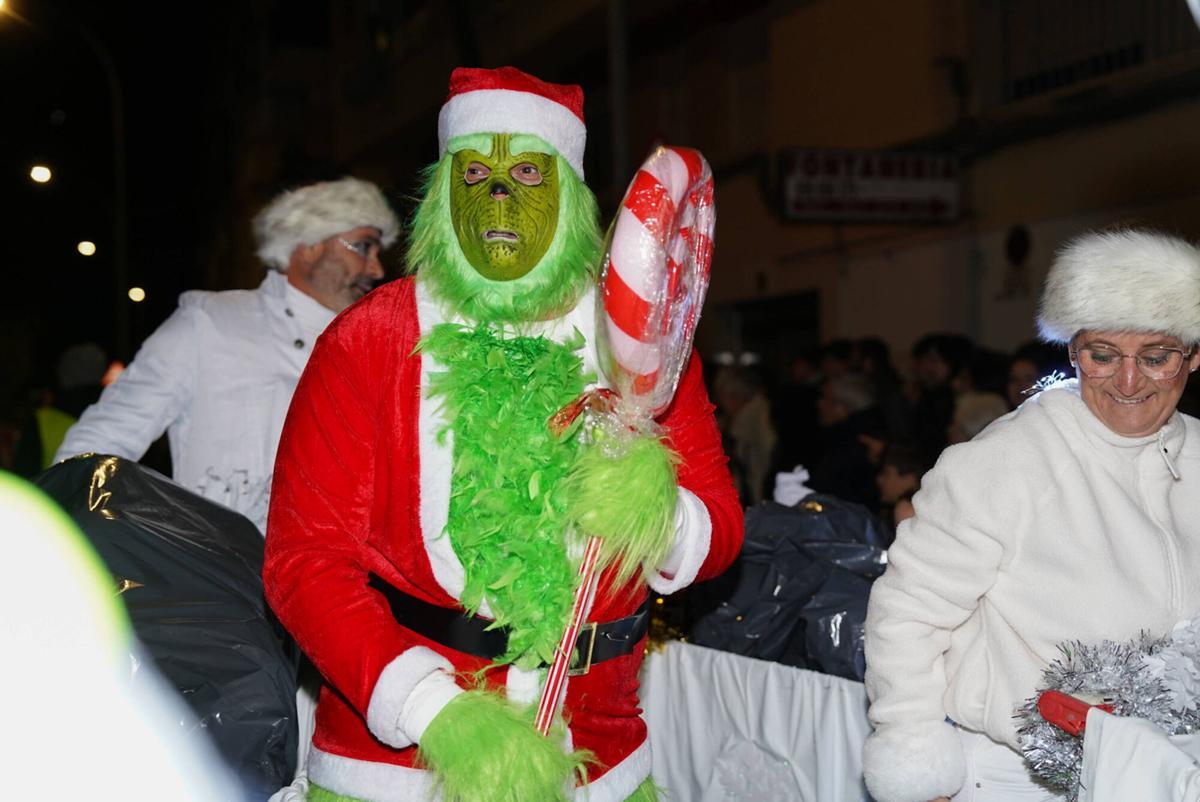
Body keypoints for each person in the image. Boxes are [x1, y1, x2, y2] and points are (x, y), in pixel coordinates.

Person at [262, 67, 743, 802]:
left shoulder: (637, 340)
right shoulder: (370, 340)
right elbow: (304, 562)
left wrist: (654, 511)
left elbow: (723, 534)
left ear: (570, 191)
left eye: (525, 170)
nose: (497, 195)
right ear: (442, 192)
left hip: (601, 760)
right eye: (475, 171)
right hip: (404, 769)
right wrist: (435, 712)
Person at [862, 228, 1200, 802]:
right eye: (1102, 355)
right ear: (1073, 352)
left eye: (1155, 357)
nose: (1127, 380)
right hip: (1019, 777)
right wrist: (912, 743)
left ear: (1192, 356)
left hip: (1169, 770)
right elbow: (908, 612)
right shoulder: (1008, 460)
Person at [55, 177, 399, 532]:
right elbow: (100, 444)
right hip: (216, 577)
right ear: (309, 245)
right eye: (363, 246)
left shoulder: (378, 346)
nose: (377, 269)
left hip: (343, 580)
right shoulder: (210, 322)